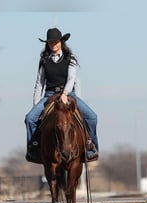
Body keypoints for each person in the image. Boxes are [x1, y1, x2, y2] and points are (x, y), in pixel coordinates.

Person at [24, 27, 99, 163]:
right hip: (49, 95)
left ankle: (91, 146)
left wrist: (65, 93)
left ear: (61, 42)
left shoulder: (71, 58)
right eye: (51, 42)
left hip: (69, 94)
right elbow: (39, 83)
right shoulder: (44, 60)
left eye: (56, 42)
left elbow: (71, 79)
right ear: (47, 44)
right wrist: (35, 105)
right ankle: (34, 147)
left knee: (92, 117)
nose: (54, 44)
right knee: (29, 118)